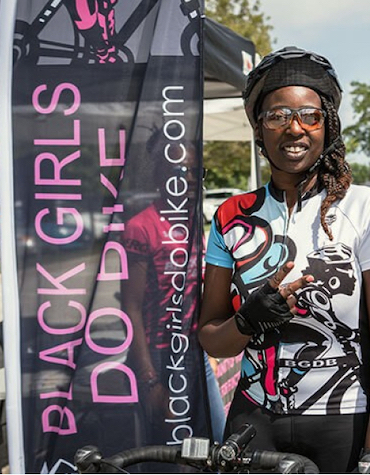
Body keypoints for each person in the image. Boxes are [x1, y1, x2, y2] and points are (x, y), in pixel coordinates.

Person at [197, 46, 370, 473]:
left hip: (345, 422)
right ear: (259, 127)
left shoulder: (366, 207)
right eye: (277, 116)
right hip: (254, 421)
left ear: (327, 125)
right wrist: (246, 322)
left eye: (309, 116)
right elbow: (209, 335)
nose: (294, 128)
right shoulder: (230, 216)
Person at [120, 128, 225, 448]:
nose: (192, 179)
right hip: (159, 358)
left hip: (194, 355)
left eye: (197, 171)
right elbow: (130, 308)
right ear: (160, 173)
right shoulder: (140, 226)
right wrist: (149, 379)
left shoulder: (192, 222)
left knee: (218, 441)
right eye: (182, 171)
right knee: (172, 452)